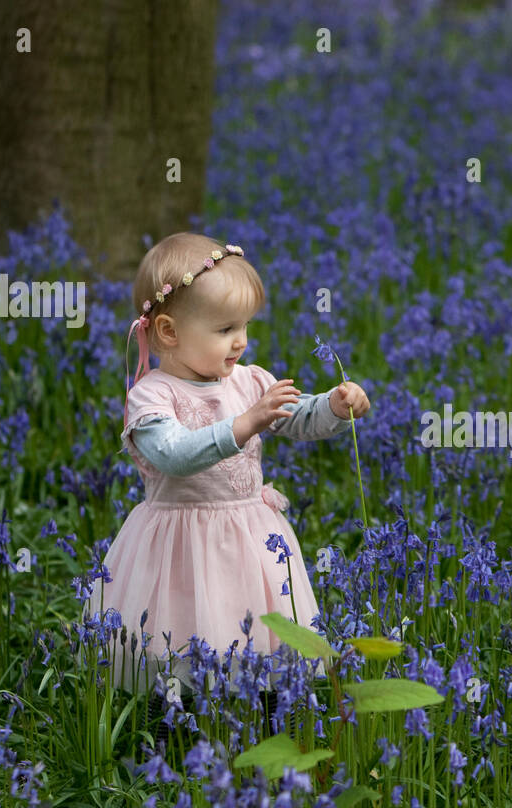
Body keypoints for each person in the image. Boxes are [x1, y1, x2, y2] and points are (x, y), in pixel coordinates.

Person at [85, 232, 371, 706]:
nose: (240, 341)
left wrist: (337, 407)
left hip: (249, 536)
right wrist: (245, 423)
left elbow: (296, 417)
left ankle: (262, 715)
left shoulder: (248, 381)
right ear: (169, 332)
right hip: (178, 543)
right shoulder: (152, 397)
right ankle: (179, 725)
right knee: (180, 630)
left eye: (244, 326)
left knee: (257, 628)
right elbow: (174, 454)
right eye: (223, 330)